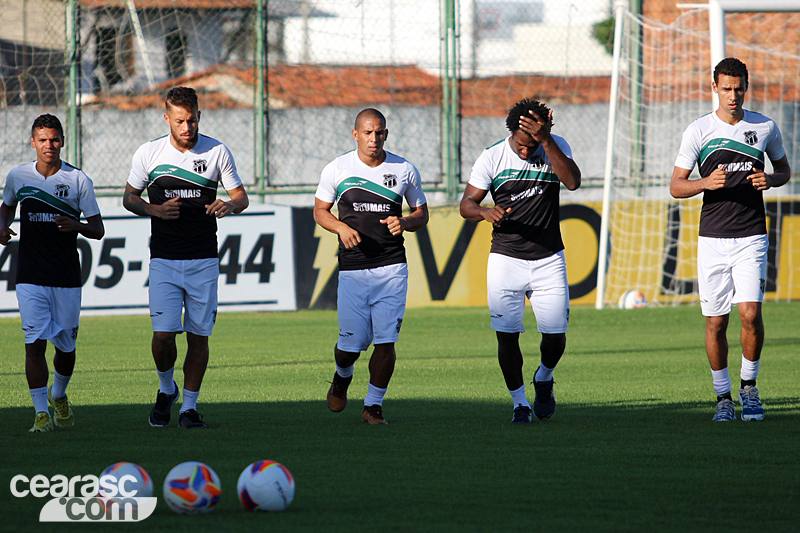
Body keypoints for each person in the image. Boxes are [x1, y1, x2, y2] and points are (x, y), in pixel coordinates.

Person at [670, 57, 791, 422]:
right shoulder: (698, 131)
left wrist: (771, 180)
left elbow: (784, 169)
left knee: (750, 314)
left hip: (752, 234)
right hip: (713, 239)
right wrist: (704, 183)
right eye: (726, 89)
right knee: (715, 323)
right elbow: (676, 186)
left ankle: (749, 388)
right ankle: (722, 397)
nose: (733, 95)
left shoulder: (765, 126)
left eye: (739, 88)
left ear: (746, 87)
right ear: (714, 88)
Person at [123, 86, 249, 429]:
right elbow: (129, 198)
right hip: (164, 259)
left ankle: (189, 409)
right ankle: (167, 389)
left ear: (198, 116)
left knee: (199, 336)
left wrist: (229, 205)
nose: (187, 127)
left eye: (192, 120)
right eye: (180, 121)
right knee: (163, 336)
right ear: (167, 119)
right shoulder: (149, 153)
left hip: (203, 259)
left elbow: (241, 197)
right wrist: (154, 209)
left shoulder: (217, 151)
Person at [460, 98, 581, 424]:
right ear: (511, 132)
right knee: (507, 336)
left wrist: (545, 140)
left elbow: (572, 182)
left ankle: (544, 376)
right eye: (520, 144)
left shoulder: (555, 147)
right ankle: (519, 404)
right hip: (506, 260)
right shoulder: (492, 156)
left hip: (548, 259)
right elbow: (466, 204)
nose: (525, 152)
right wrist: (485, 212)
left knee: (555, 336)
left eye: (531, 144)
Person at [314, 108, 428, 425]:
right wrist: (340, 228)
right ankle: (342, 375)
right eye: (367, 132)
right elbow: (320, 211)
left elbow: (422, 214)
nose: (373, 138)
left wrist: (405, 221)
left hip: (392, 266)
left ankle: (373, 406)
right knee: (349, 347)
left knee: (386, 340)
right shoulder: (337, 168)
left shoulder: (404, 169)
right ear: (356, 135)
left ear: (386, 134)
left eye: (379, 132)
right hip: (353, 269)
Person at [0, 114, 105, 432]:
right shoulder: (18, 176)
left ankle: (59, 395)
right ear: (32, 142)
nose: (49, 145)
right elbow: (6, 205)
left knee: (66, 347)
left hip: (66, 277)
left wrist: (76, 225)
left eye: (54, 139)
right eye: (42, 139)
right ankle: (41, 413)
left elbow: (97, 229)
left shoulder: (77, 180)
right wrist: (2, 226)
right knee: (33, 342)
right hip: (30, 274)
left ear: (62, 141)